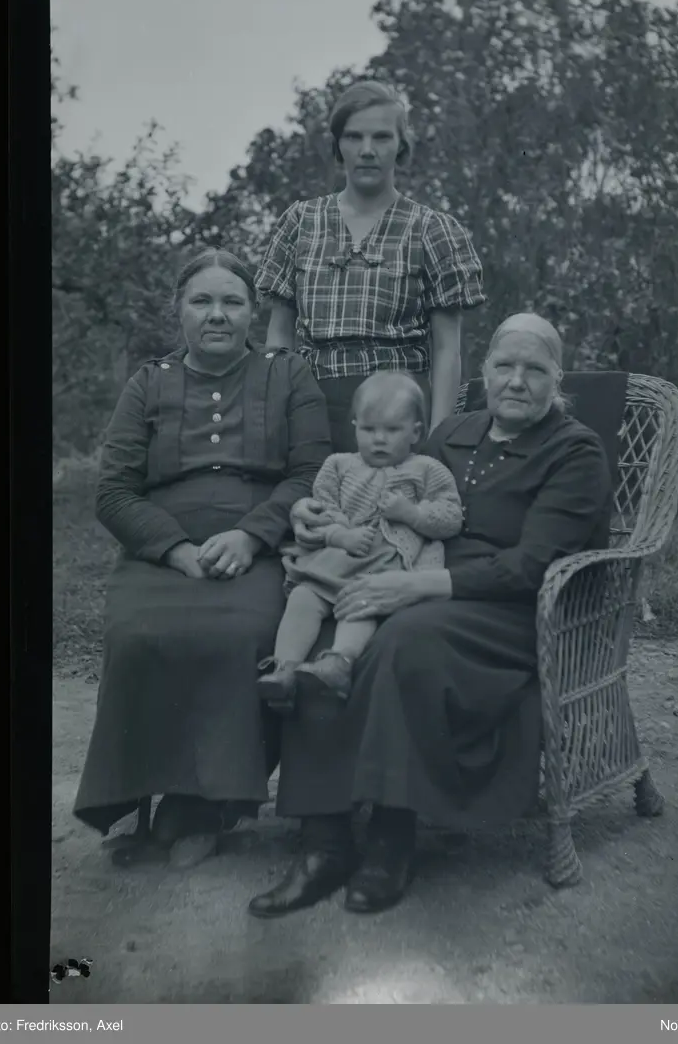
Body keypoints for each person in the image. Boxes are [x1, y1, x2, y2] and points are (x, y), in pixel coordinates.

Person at [247, 312, 614, 918]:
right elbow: (374, 493)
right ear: (484, 372)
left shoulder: (574, 451)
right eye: (504, 365)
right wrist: (317, 518)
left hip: (511, 610)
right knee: (329, 631)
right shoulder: (455, 432)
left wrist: (412, 586)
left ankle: (392, 836)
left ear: (558, 379)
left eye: (534, 369)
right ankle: (323, 841)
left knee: (403, 640)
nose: (516, 380)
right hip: (417, 578)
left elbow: (534, 566)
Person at [73, 249, 332, 869]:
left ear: (253, 312)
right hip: (162, 550)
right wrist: (175, 549)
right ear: (179, 311)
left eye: (232, 302)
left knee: (238, 634)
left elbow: (311, 472)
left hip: (258, 544)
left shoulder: (288, 373)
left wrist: (251, 536)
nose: (217, 314)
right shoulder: (149, 382)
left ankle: (205, 805)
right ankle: (134, 799)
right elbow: (113, 491)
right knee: (137, 635)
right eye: (202, 301)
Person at [254, 80, 486, 451]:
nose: (366, 150)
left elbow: (447, 350)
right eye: (353, 137)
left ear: (401, 145)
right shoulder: (301, 221)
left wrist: (438, 438)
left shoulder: (431, 229)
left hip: (399, 412)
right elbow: (279, 337)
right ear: (338, 145)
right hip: (312, 409)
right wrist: (275, 416)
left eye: (381, 137)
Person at [256, 371, 463, 706]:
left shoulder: (428, 469)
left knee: (362, 602)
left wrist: (411, 513)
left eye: (392, 430)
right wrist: (340, 534)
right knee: (304, 597)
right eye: (368, 429)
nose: (379, 440)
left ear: (416, 432)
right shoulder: (338, 465)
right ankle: (285, 669)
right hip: (338, 557)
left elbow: (451, 516)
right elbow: (322, 507)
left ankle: (339, 662)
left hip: (383, 568)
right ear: (354, 427)